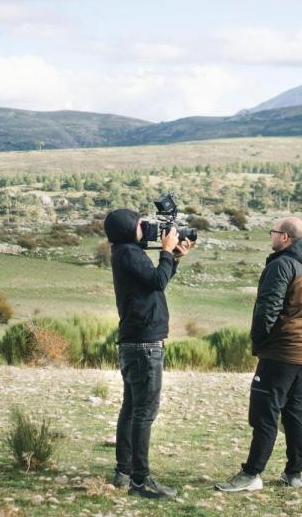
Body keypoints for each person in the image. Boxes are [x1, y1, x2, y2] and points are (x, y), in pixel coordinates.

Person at [216, 216, 302, 492]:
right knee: (295, 412)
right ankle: (295, 473)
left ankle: (252, 474)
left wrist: (260, 342)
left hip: (281, 352)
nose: (271, 236)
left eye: (273, 232)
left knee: (265, 413)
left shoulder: (282, 265)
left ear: (285, 237)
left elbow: (268, 309)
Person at [104, 208, 194, 499]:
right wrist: (167, 251)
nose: (146, 228)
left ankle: (124, 471)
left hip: (135, 342)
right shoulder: (129, 253)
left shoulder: (125, 252)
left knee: (131, 408)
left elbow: (155, 280)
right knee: (144, 412)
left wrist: (174, 257)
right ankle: (140, 481)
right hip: (144, 344)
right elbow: (158, 282)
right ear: (129, 229)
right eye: (140, 224)